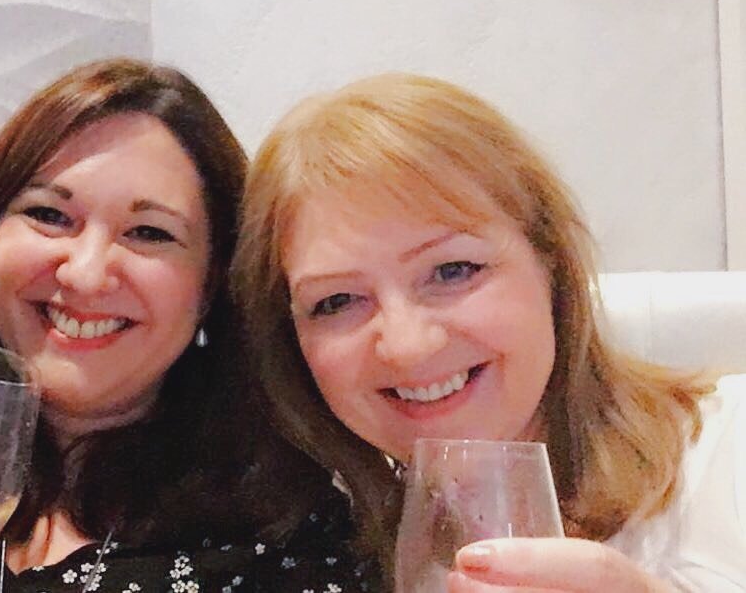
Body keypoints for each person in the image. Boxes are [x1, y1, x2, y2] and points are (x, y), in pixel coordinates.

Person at [0, 58, 373, 591]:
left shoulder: (281, 528)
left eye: (149, 233)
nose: (86, 273)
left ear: (213, 285)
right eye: (50, 215)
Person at [231, 72, 745, 591]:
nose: (408, 347)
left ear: (551, 265)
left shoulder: (730, 450)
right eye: (337, 301)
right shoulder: (313, 549)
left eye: (453, 270)